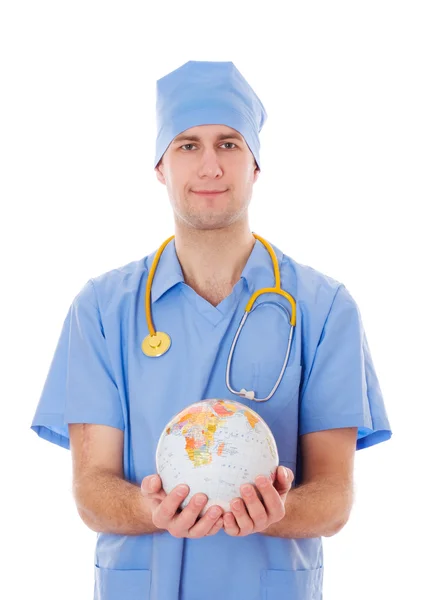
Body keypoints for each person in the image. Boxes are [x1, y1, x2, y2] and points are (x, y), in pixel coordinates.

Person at [30, 60, 392, 600]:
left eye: (228, 144)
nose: (210, 167)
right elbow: (91, 489)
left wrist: (277, 511)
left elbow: (335, 497)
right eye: (187, 145)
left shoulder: (324, 309)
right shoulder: (102, 310)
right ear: (160, 166)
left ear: (255, 165)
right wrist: (146, 508)